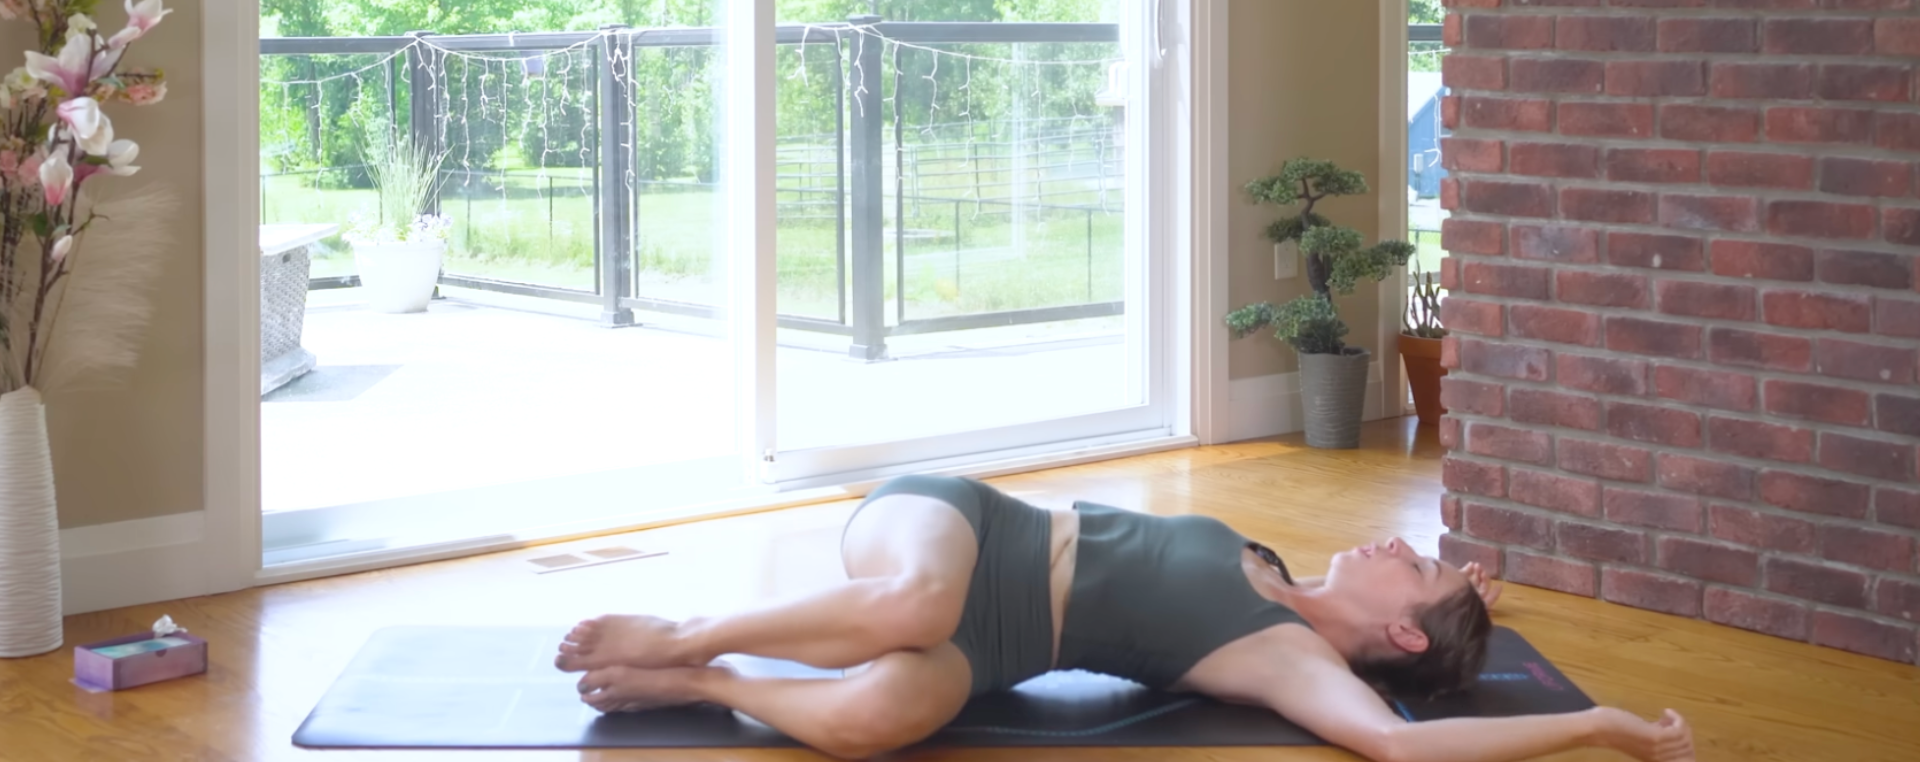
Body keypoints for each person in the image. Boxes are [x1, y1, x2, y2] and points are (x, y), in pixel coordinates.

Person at [556, 475, 1695, 762]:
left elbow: (1401, 746)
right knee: (917, 600)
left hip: (994, 652)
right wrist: (1464, 610)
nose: (1402, 545)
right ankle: (687, 632)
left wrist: (1604, 725)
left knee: (874, 722)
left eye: (1420, 571)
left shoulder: (1292, 661)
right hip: (961, 528)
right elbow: (1435, 629)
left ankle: (703, 683)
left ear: (1404, 636)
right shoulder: (1274, 568)